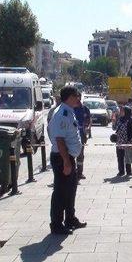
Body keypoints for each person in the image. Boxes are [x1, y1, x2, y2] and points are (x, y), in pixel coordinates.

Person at [48, 86, 87, 235]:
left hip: (68, 157)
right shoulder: (62, 114)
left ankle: (70, 219)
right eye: (76, 96)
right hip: (62, 158)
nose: (78, 98)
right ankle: (56, 224)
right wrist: (66, 162)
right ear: (69, 97)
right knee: (60, 192)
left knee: (70, 190)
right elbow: (59, 140)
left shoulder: (68, 111)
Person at [113, 106, 132, 176]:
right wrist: (113, 122)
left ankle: (129, 171)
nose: (121, 112)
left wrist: (131, 141)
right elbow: (114, 128)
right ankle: (121, 171)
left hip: (127, 142)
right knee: (120, 157)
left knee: (128, 157)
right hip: (119, 142)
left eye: (122, 111)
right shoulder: (119, 119)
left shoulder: (131, 120)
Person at [73, 96, 89, 180]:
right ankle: (72, 173)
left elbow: (88, 119)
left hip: (81, 135)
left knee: (80, 155)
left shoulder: (84, 109)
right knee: (71, 154)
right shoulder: (70, 109)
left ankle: (79, 172)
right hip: (72, 136)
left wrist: (86, 126)